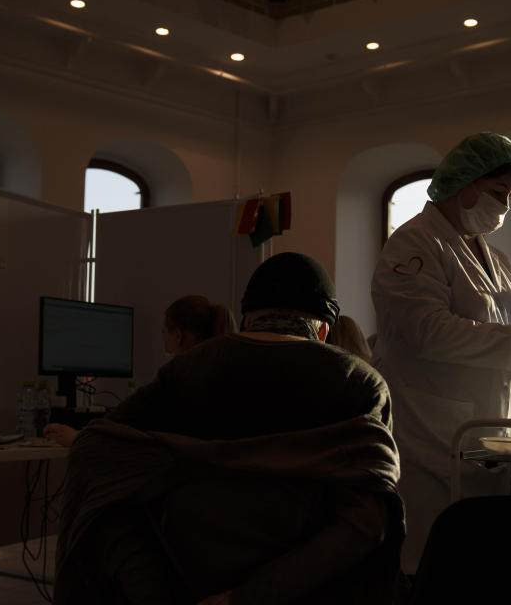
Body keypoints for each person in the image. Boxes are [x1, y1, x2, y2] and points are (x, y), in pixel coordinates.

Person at [55, 252, 403, 605]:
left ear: (249, 318)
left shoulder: (188, 369)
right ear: (325, 329)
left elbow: (94, 464)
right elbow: (367, 523)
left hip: (182, 586)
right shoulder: (361, 384)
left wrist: (153, 589)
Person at [371, 132, 511, 572]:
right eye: (497, 193)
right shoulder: (413, 244)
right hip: (429, 435)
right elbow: (427, 332)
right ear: (463, 183)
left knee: (482, 567)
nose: (504, 207)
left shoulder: (498, 260)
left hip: (488, 435)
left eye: (509, 196)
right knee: (430, 564)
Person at [43, 295, 236, 447]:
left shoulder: (174, 378)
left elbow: (116, 424)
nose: (163, 339)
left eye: (164, 332)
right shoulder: (228, 377)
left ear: (178, 335)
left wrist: (78, 436)